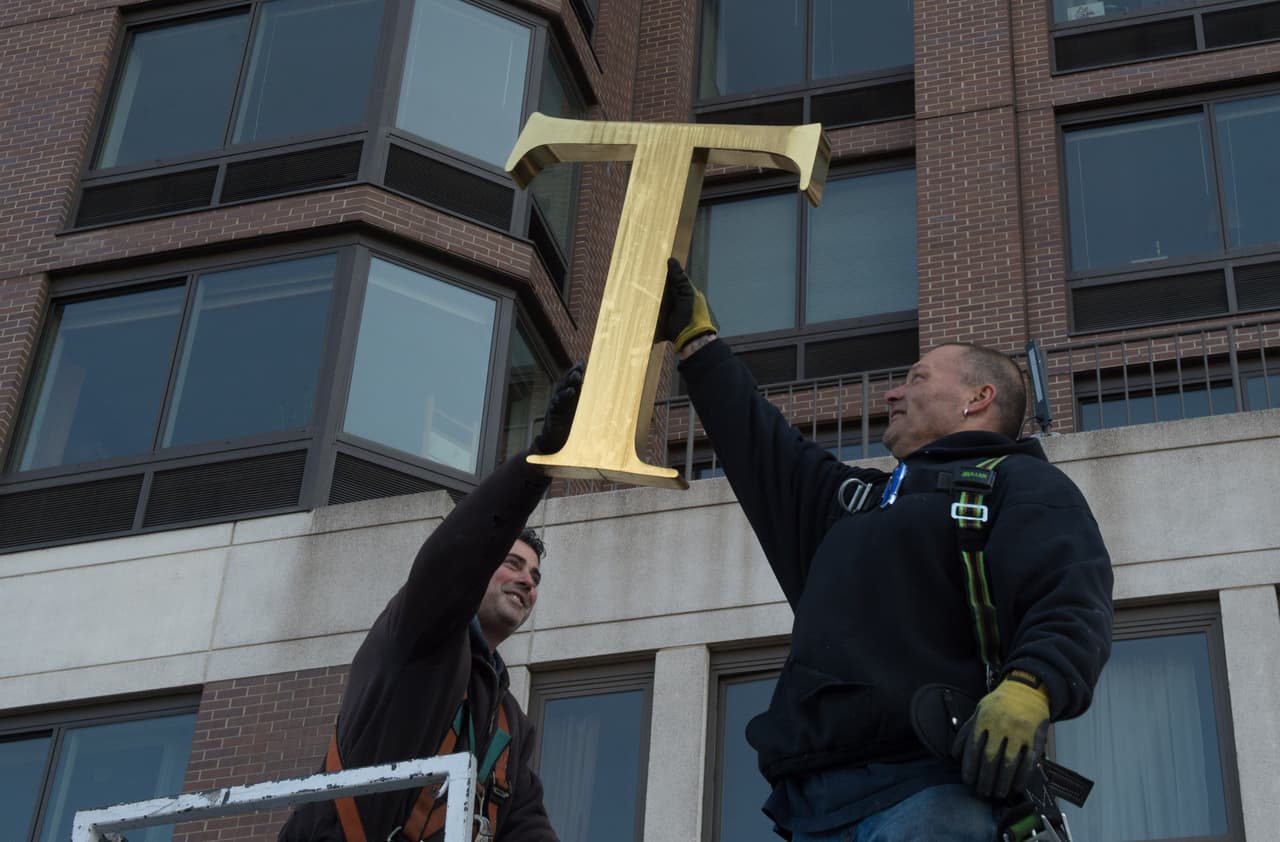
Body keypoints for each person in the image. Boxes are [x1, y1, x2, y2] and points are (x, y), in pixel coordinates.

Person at [658, 260, 1113, 842]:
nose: (893, 391)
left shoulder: (1020, 485)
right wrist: (697, 343)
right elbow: (760, 445)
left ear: (979, 397)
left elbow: (1072, 594)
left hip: (933, 791)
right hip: (813, 808)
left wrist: (1033, 684)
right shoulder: (856, 503)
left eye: (918, 379)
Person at [278, 363, 584, 842]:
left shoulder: (510, 724)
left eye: (536, 576)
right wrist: (540, 461)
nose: (527, 581)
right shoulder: (420, 635)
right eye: (512, 563)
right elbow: (454, 557)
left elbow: (526, 827)